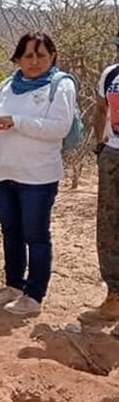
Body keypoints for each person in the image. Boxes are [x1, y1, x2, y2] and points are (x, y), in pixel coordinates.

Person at [0, 32, 76, 317]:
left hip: (38, 175)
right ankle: (13, 285)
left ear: (52, 56)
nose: (34, 62)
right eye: (28, 56)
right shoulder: (7, 85)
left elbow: (59, 127)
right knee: (10, 232)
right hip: (3, 170)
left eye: (41, 55)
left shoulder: (61, 86)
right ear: (18, 58)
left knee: (35, 235)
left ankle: (34, 295)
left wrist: (16, 122)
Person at [81, 33, 119, 324]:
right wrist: (99, 143)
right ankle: (114, 297)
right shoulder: (111, 74)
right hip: (112, 156)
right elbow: (101, 107)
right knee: (109, 227)